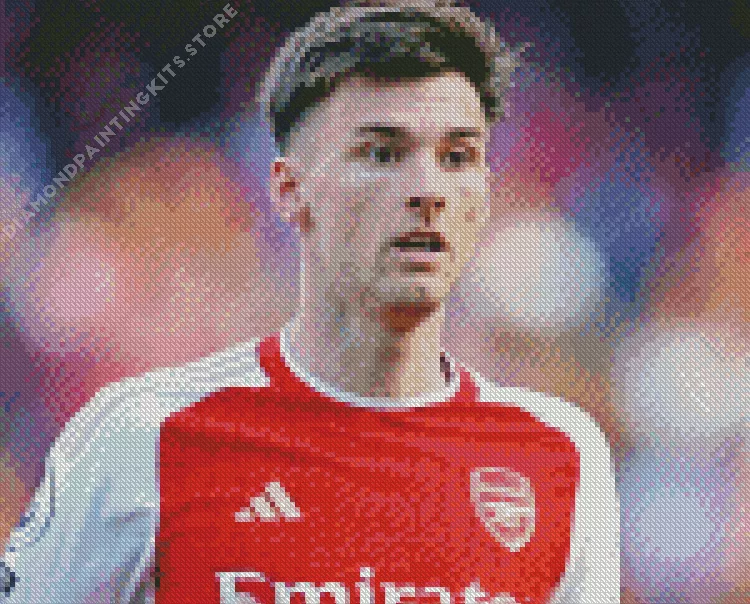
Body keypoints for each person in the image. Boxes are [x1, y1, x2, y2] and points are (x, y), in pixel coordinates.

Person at [1, 1, 618, 602]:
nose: (428, 190)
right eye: (382, 153)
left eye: (457, 157)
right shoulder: (143, 437)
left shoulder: (560, 453)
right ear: (290, 190)